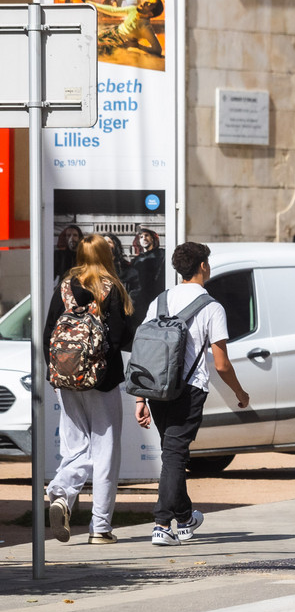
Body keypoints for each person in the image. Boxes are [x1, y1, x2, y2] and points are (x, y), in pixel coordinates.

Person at [135, 242, 250, 545]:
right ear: (202, 266)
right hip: (189, 389)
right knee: (174, 454)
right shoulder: (211, 307)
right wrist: (240, 392)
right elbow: (222, 363)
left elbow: (143, 352)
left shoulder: (159, 301)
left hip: (157, 389)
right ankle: (161, 524)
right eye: (208, 263)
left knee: (172, 453)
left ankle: (184, 520)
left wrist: (140, 397)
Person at [42, 235, 136, 544]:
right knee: (105, 450)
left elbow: (48, 334)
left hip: (66, 380)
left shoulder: (66, 287)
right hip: (103, 380)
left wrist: (58, 375)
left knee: (75, 446)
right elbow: (122, 337)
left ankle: (61, 493)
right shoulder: (110, 287)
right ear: (104, 254)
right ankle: (100, 527)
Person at [91, 0, 163, 57]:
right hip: (113, 31)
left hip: (119, 42)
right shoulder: (133, 10)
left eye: (149, 4)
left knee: (93, 49)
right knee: (90, 39)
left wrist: (137, 46)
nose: (145, 2)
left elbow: (157, 50)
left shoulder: (145, 27)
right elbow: (113, 10)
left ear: (150, 14)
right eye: (147, 0)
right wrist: (94, 5)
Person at [128, 228, 165, 325]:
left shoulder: (162, 254)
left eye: (146, 235)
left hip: (157, 295)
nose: (144, 238)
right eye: (141, 237)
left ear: (153, 238)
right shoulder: (137, 259)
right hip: (140, 299)